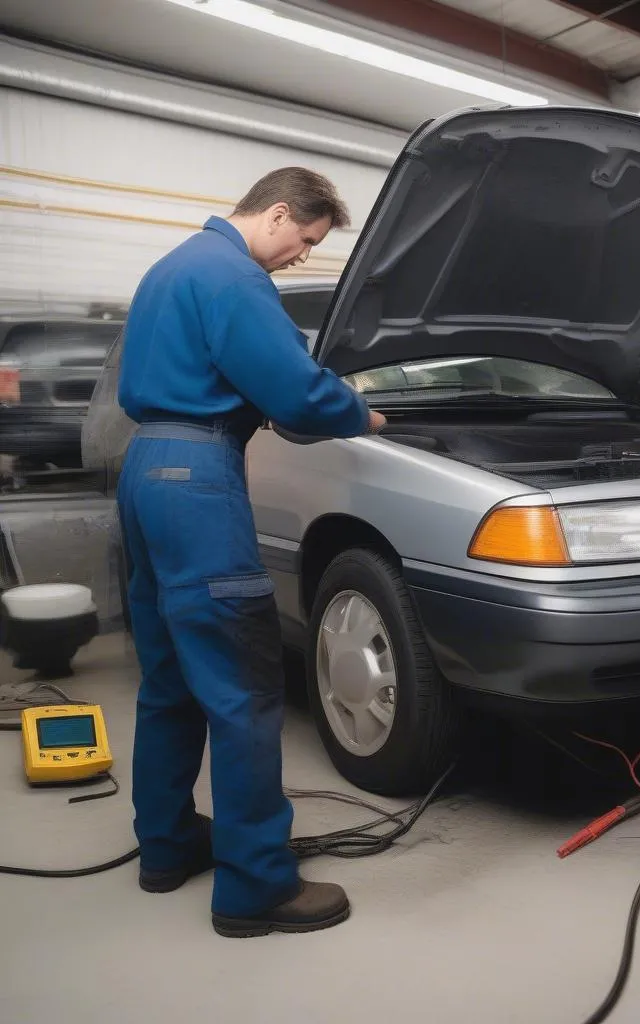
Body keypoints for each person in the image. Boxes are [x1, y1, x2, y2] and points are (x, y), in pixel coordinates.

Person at [116, 167, 384, 938]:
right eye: (303, 241)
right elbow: (296, 393)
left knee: (168, 676)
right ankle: (255, 889)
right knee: (243, 688)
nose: (300, 256)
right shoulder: (235, 277)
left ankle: (165, 848)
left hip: (145, 472)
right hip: (199, 474)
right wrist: (363, 414)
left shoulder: (170, 269)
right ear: (275, 214)